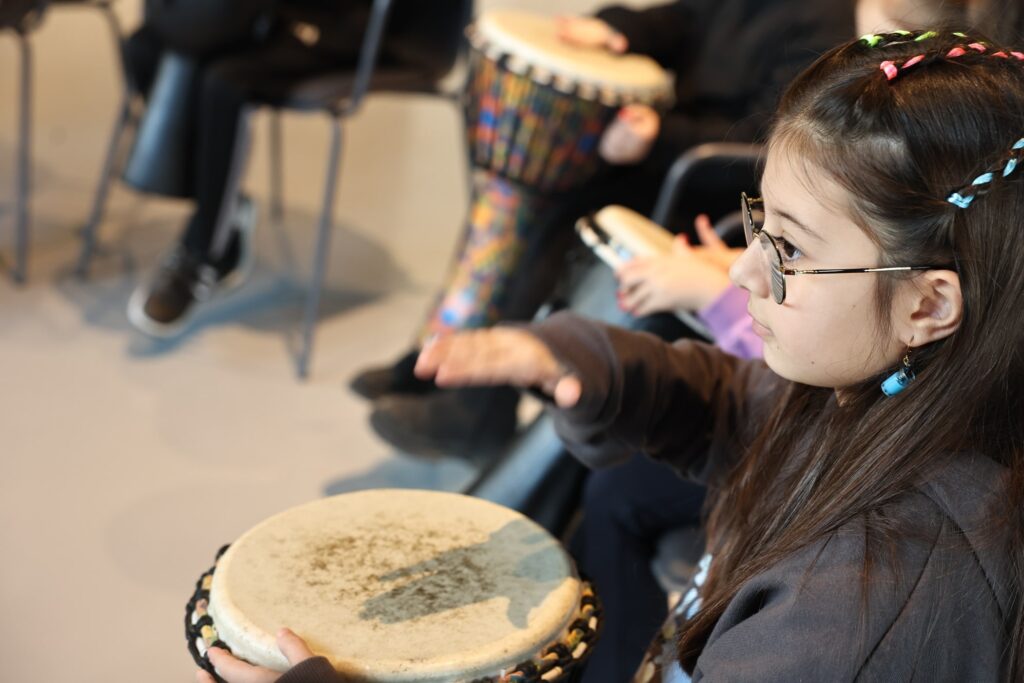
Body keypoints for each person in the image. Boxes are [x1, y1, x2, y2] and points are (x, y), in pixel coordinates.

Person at [202, 27, 1024, 682]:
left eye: (791, 250)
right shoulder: (877, 396)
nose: (742, 269)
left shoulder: (870, 613)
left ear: (928, 304)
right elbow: (744, 404)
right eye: (758, 222)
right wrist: (597, 365)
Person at [355, 0, 855, 460]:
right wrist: (616, 28)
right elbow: (679, 20)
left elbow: (774, 144)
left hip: (710, 189)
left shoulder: (822, 23)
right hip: (673, 158)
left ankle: (474, 412)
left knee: (550, 219)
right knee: (521, 203)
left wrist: (660, 137)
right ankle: (434, 365)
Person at [123, 1, 462, 337]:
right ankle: (222, 207)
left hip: (384, 32)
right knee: (147, 48)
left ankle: (204, 253)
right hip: (296, 14)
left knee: (225, 80)